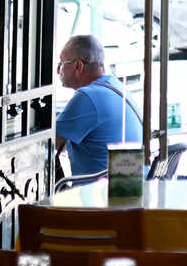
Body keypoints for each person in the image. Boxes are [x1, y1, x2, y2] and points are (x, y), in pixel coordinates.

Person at [55, 33, 142, 177]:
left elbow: (46, 144)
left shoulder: (88, 96)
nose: (58, 70)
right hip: (129, 185)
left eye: (61, 63)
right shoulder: (116, 86)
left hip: (102, 190)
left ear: (78, 66)